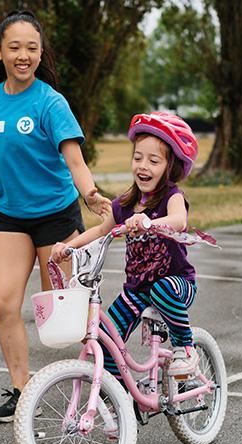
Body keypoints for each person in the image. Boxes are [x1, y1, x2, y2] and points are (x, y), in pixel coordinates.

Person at [0, 10, 111, 423]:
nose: (23, 55)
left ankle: (104, 384)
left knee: (67, 315)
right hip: (10, 218)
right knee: (3, 302)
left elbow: (75, 160)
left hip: (57, 219)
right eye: (14, 47)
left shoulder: (51, 102)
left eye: (31, 47)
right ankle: (22, 391)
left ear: (40, 52)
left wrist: (92, 195)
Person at [51, 111, 200, 378]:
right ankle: (120, 398)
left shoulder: (172, 197)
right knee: (106, 341)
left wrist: (149, 222)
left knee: (162, 288)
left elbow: (179, 220)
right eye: (138, 158)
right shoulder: (124, 205)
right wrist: (69, 245)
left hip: (178, 284)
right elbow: (100, 229)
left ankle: (186, 349)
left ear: (171, 167)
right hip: (136, 290)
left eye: (154, 161)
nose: (143, 166)